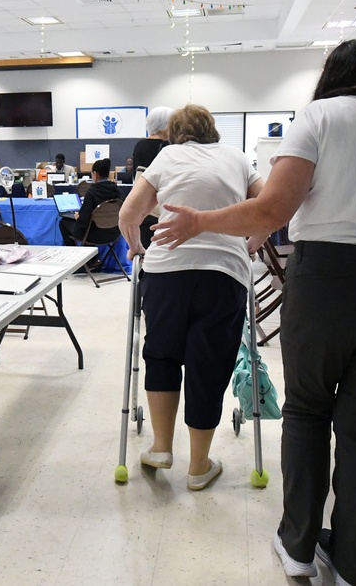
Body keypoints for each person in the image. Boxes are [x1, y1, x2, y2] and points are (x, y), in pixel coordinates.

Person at [152, 40, 356, 586]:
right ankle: (353, 561)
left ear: (331, 78)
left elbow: (272, 210)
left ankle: (299, 547)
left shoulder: (320, 116)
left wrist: (199, 222)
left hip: (328, 283)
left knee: (309, 411)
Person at [118, 104, 263, 492]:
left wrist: (137, 248)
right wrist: (250, 245)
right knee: (209, 363)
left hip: (166, 272)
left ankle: (162, 447)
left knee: (162, 352)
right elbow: (269, 211)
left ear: (173, 134)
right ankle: (199, 467)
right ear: (213, 129)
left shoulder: (166, 156)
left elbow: (129, 214)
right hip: (224, 274)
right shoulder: (237, 158)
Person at [131, 106, 173, 248]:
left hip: (144, 204)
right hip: (166, 205)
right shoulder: (170, 146)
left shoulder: (140, 145)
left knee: (147, 250)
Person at [59, 158, 120, 253]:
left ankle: (77, 257)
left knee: (63, 223)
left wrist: (78, 217)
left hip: (94, 235)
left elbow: (84, 220)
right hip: (114, 233)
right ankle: (91, 258)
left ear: (95, 174)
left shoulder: (92, 192)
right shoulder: (117, 190)